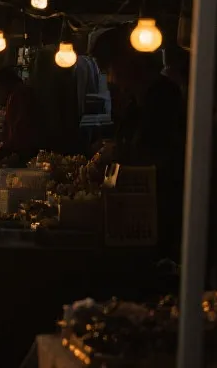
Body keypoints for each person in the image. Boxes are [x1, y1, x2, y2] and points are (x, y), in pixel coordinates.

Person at [87, 25, 187, 260]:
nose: (110, 79)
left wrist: (117, 151)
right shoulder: (135, 101)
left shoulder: (163, 96)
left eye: (110, 69)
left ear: (128, 62)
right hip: (135, 214)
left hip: (162, 211)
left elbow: (158, 153)